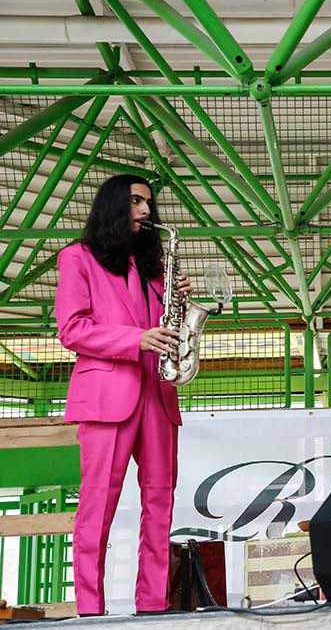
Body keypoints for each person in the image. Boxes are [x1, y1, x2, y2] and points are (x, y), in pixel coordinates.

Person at [55, 174, 191, 614]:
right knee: (98, 503)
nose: (146, 210)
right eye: (135, 201)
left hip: (158, 393)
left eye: (148, 203)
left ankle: (153, 603)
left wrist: (179, 302)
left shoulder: (156, 269)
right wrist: (136, 339)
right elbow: (72, 329)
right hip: (107, 394)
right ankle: (89, 608)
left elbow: (165, 329)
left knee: (160, 501)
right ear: (112, 205)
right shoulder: (77, 258)